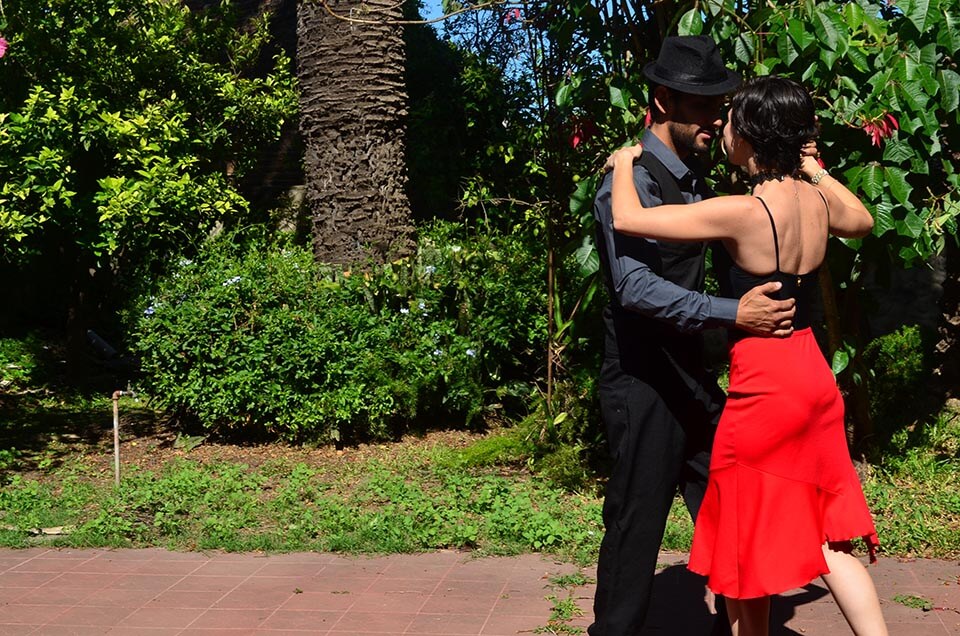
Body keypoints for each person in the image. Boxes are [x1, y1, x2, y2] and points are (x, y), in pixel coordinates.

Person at [606, 76, 887, 636]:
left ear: (752, 137)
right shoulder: (816, 199)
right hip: (813, 373)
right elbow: (864, 220)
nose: (722, 127)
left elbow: (629, 220)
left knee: (747, 533)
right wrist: (813, 167)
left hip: (767, 384)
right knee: (825, 533)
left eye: (731, 120)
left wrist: (620, 164)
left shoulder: (742, 211)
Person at [589, 36, 797, 636]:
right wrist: (735, 312)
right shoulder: (627, 182)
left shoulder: (696, 182)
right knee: (637, 525)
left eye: (722, 105)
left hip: (691, 379)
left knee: (730, 507)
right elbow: (634, 287)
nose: (718, 119)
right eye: (705, 106)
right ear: (663, 101)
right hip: (641, 382)